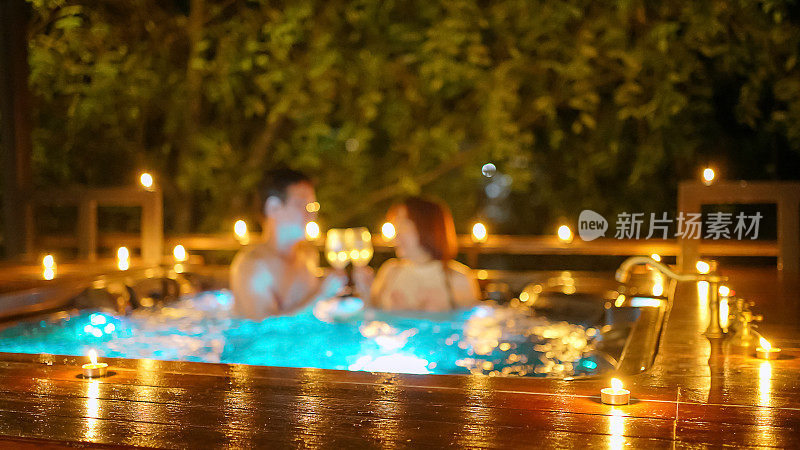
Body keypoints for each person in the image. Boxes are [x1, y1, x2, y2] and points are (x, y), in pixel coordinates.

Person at [230, 169, 339, 320]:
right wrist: (320, 295)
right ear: (273, 207)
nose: (311, 214)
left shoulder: (308, 254)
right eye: (302, 205)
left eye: (313, 206)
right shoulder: (251, 267)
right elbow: (262, 331)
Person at [370, 197, 481, 311]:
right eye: (396, 226)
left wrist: (441, 317)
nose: (396, 235)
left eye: (404, 225)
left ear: (427, 227)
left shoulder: (458, 280)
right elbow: (369, 317)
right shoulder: (390, 271)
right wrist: (364, 289)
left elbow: (474, 325)